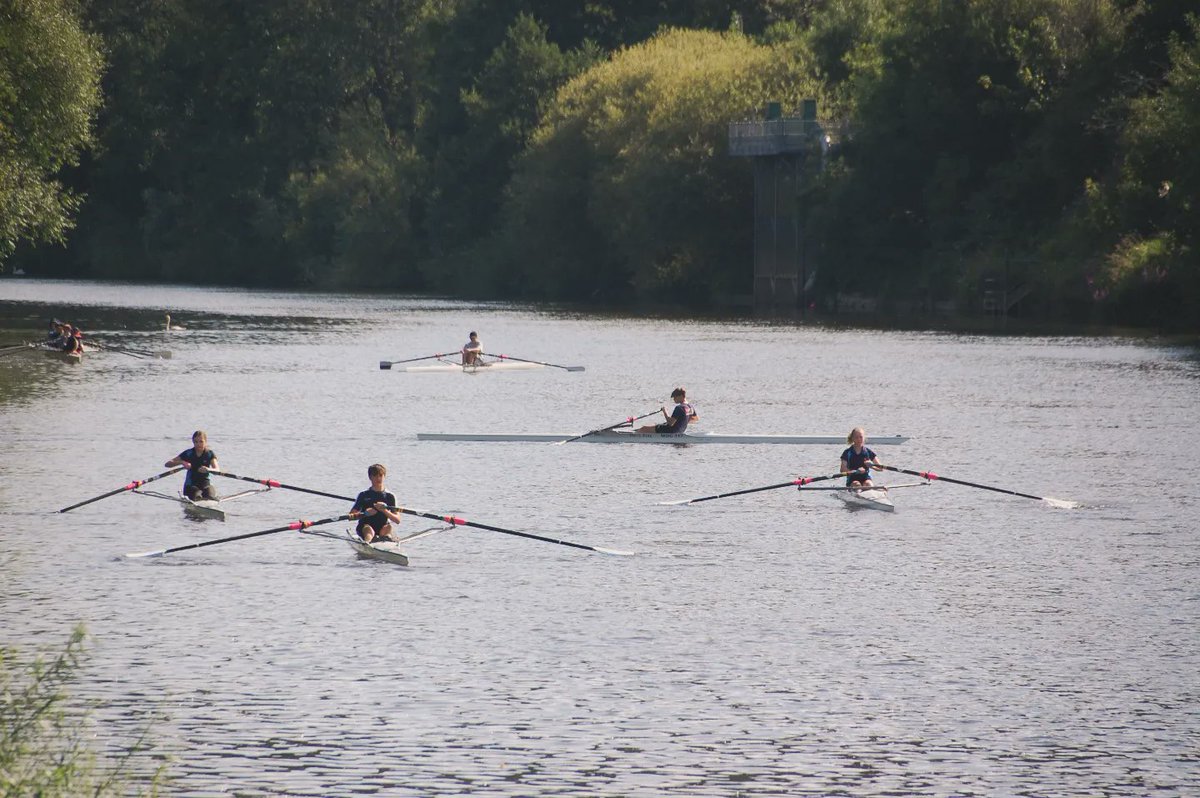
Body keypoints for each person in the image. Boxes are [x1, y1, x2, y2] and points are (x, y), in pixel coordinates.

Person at [351, 464, 403, 543]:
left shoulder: (390, 496)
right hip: (365, 527)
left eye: (380, 475)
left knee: (389, 527)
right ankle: (368, 542)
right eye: (375, 476)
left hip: (382, 528)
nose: (378, 478)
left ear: (384, 476)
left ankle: (386, 540)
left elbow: (397, 520)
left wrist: (385, 511)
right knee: (368, 529)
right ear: (370, 477)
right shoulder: (363, 495)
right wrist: (365, 513)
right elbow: (351, 515)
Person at [165, 430, 221, 501]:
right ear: (193, 442)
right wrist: (182, 462)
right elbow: (167, 464)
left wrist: (208, 469)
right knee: (197, 494)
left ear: (205, 442)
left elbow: (217, 470)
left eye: (201, 441)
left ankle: (208, 502)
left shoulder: (209, 454)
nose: (198, 444)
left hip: (205, 484)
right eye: (196, 442)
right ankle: (197, 501)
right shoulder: (188, 453)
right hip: (191, 485)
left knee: (210, 494)